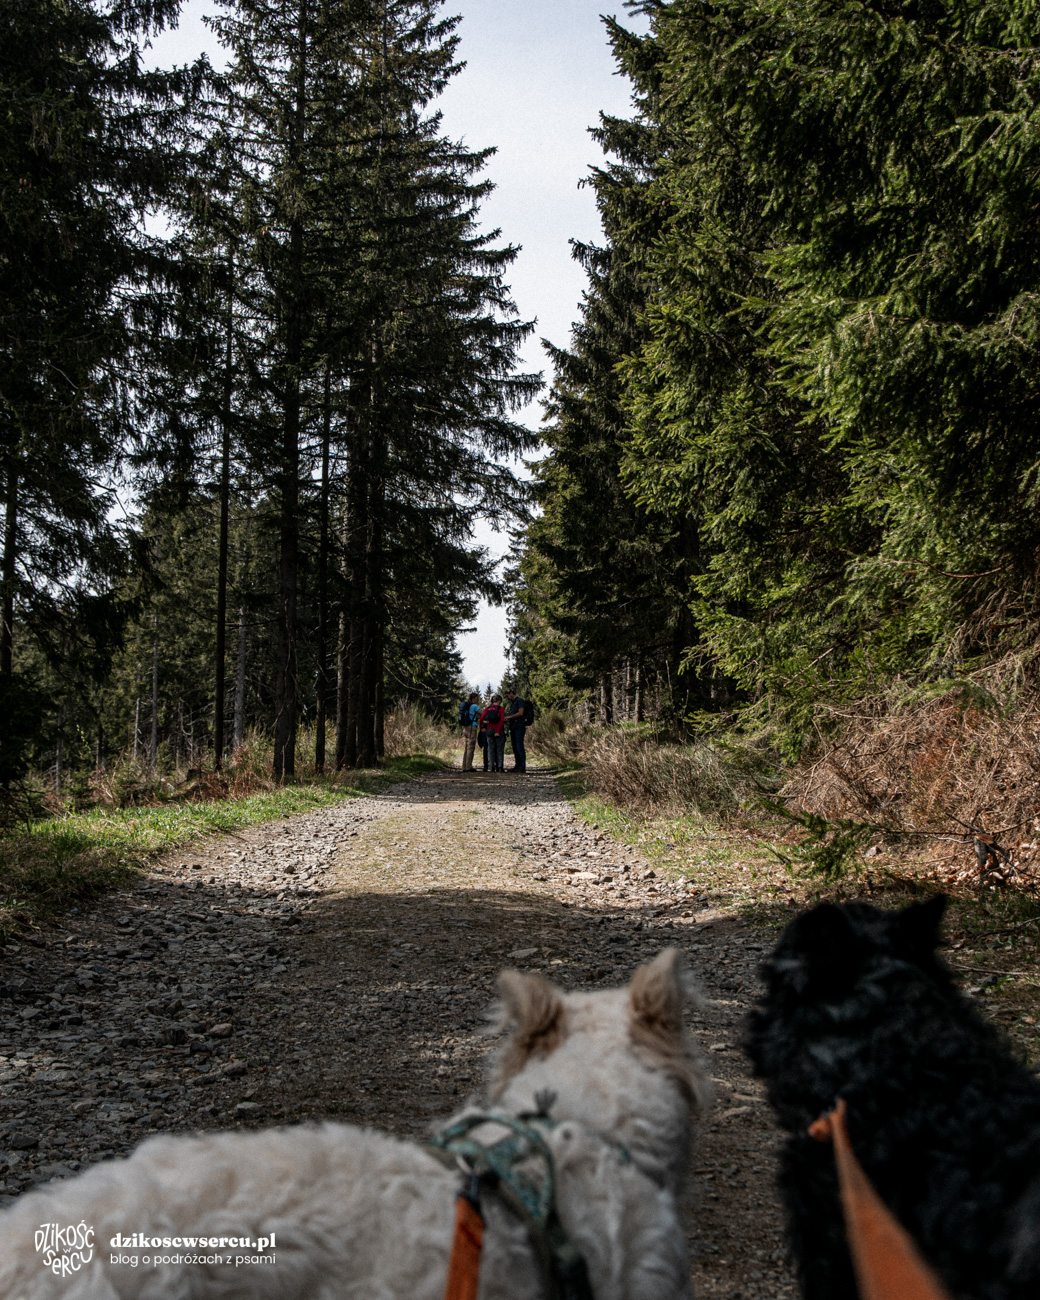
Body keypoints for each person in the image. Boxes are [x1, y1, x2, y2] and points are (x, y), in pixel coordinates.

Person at [479, 694, 506, 772]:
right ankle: (500, 766)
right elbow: (501, 721)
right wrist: (498, 731)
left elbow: (481, 718)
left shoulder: (488, 708)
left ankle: (491, 766)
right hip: (498, 730)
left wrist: (481, 728)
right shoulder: (501, 709)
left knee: (490, 748)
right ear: (500, 701)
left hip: (489, 729)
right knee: (499, 748)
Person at [504, 687, 527, 773]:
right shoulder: (512, 704)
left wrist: (510, 717)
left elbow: (521, 713)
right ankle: (517, 766)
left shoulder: (520, 701)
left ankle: (522, 766)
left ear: (511, 693)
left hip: (519, 726)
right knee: (515, 747)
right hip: (513, 726)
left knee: (519, 746)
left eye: (507, 696)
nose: (507, 698)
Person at [460, 692, 481, 771]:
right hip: (472, 727)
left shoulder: (468, 706)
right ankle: (469, 767)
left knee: (467, 747)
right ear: (474, 698)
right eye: (477, 698)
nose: (477, 700)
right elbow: (483, 713)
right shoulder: (474, 706)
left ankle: (464, 766)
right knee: (471, 747)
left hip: (466, 727)